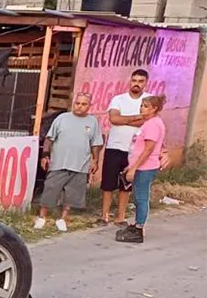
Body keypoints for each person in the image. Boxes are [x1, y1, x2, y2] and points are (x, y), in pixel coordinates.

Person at [34, 93, 102, 232]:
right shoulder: (62, 118)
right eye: (77, 103)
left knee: (72, 194)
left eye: (83, 104)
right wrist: (45, 155)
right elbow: (49, 138)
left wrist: (95, 160)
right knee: (50, 189)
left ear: (89, 106)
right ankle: (41, 217)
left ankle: (62, 219)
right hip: (60, 162)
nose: (79, 107)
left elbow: (95, 143)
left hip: (80, 164)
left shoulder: (92, 122)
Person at [100, 69, 150, 226]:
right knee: (108, 182)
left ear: (146, 82)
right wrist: (136, 117)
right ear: (130, 81)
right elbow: (114, 119)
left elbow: (147, 120)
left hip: (134, 149)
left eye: (140, 81)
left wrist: (125, 119)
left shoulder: (148, 100)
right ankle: (104, 215)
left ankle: (120, 217)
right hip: (114, 145)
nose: (137, 84)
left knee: (126, 184)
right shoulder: (118, 99)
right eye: (134, 80)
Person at [116, 94, 166, 244]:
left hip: (146, 167)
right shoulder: (148, 123)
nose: (141, 109)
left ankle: (139, 229)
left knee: (141, 198)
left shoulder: (153, 125)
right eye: (141, 106)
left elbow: (148, 149)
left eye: (145, 106)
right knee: (138, 198)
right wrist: (130, 166)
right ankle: (137, 224)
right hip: (140, 166)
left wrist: (134, 168)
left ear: (154, 109)